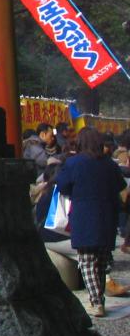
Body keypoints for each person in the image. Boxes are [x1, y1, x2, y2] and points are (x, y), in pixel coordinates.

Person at [55, 125, 127, 317]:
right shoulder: (110, 164)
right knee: (101, 263)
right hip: (107, 217)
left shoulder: (73, 163)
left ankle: (96, 302)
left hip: (84, 216)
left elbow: (62, 186)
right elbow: (120, 186)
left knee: (87, 261)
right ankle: (99, 300)